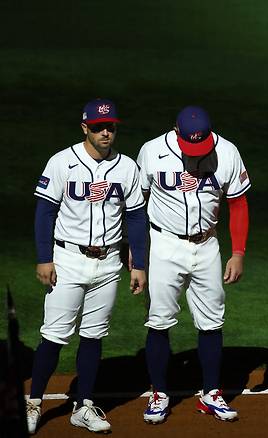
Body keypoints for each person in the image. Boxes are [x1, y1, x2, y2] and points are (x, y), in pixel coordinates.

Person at [26, 99, 148, 434]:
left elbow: (136, 216)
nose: (106, 132)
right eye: (98, 127)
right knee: (53, 336)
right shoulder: (62, 163)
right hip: (67, 260)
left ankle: (84, 405)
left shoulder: (127, 167)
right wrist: (43, 257)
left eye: (110, 127)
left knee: (94, 336)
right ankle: (34, 401)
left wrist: (139, 263)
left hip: (108, 263)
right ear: (85, 128)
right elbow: (44, 213)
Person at [137, 106, 250, 424]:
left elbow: (238, 203)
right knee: (159, 320)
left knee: (212, 320)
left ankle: (211, 393)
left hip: (207, 245)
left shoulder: (226, 152)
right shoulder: (152, 151)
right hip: (164, 244)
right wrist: (136, 249)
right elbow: (136, 202)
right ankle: (159, 392)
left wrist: (238, 252)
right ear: (176, 131)